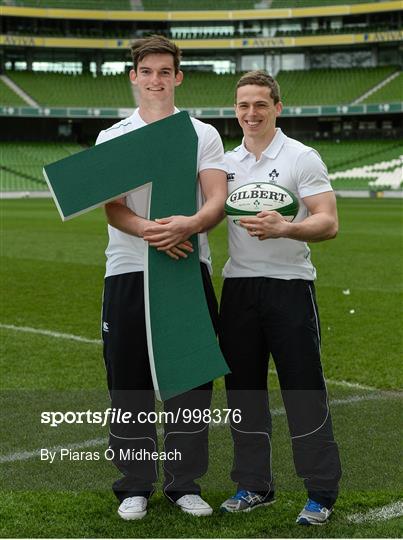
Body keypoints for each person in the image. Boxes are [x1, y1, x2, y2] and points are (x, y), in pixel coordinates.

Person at [96, 35, 227, 520]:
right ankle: (134, 485)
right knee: (127, 380)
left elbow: (214, 198)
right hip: (129, 268)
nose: (155, 79)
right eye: (146, 71)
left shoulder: (201, 133)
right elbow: (111, 207)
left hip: (185, 266)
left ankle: (183, 484)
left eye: (164, 72)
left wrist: (189, 225)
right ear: (134, 77)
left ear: (178, 77)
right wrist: (151, 231)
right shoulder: (113, 136)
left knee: (190, 381)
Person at [219, 70, 342, 525]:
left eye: (260, 105)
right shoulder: (227, 163)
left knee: (303, 390)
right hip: (238, 288)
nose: (251, 114)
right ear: (236, 110)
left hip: (290, 286)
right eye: (243, 106)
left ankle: (320, 493)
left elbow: (328, 222)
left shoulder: (300, 157)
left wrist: (286, 227)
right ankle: (254, 485)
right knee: (243, 391)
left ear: (277, 107)